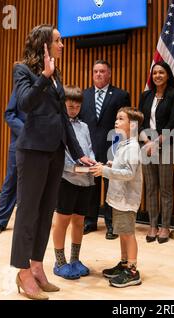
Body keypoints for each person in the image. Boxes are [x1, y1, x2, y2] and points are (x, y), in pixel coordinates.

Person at [10, 24, 95, 300]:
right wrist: (44, 76)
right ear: (44, 44)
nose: (63, 44)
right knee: (28, 213)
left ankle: (36, 266)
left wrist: (78, 151)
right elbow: (25, 103)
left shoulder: (56, 75)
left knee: (46, 212)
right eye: (58, 40)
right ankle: (22, 270)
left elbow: (62, 119)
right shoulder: (22, 70)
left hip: (56, 152)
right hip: (33, 151)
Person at [90, 107, 144, 287]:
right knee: (121, 232)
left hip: (126, 200)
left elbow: (129, 173)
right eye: (116, 118)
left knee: (128, 233)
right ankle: (124, 263)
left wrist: (106, 170)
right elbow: (123, 167)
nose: (116, 122)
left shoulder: (134, 147)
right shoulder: (124, 144)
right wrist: (112, 164)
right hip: (118, 198)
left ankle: (133, 271)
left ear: (132, 125)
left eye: (121, 119)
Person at [79, 60, 130, 240]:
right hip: (90, 149)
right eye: (95, 71)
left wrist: (118, 149)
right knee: (91, 187)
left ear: (109, 74)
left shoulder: (120, 95)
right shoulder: (83, 95)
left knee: (112, 188)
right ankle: (90, 221)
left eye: (102, 71)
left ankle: (111, 224)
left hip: (112, 149)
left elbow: (123, 126)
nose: (99, 74)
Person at [52, 85, 95, 280]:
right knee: (62, 221)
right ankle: (60, 261)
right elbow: (59, 154)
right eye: (70, 106)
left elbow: (89, 149)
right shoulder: (58, 125)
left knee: (79, 221)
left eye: (77, 107)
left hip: (85, 181)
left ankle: (75, 259)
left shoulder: (84, 126)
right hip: (66, 179)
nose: (74, 110)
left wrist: (93, 163)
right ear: (63, 105)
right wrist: (73, 168)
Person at [138, 61, 174, 244]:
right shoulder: (145, 95)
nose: (157, 75)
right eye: (155, 73)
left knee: (165, 189)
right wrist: (147, 142)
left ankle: (165, 226)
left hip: (166, 146)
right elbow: (140, 121)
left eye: (161, 72)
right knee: (150, 189)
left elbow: (173, 122)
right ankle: (153, 225)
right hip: (147, 146)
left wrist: (157, 143)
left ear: (167, 75)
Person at [0, 89, 26, 236]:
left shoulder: (45, 88)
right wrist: (26, 131)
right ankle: (0, 221)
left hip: (40, 143)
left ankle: (26, 224)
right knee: (11, 182)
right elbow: (9, 114)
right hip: (19, 141)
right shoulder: (19, 90)